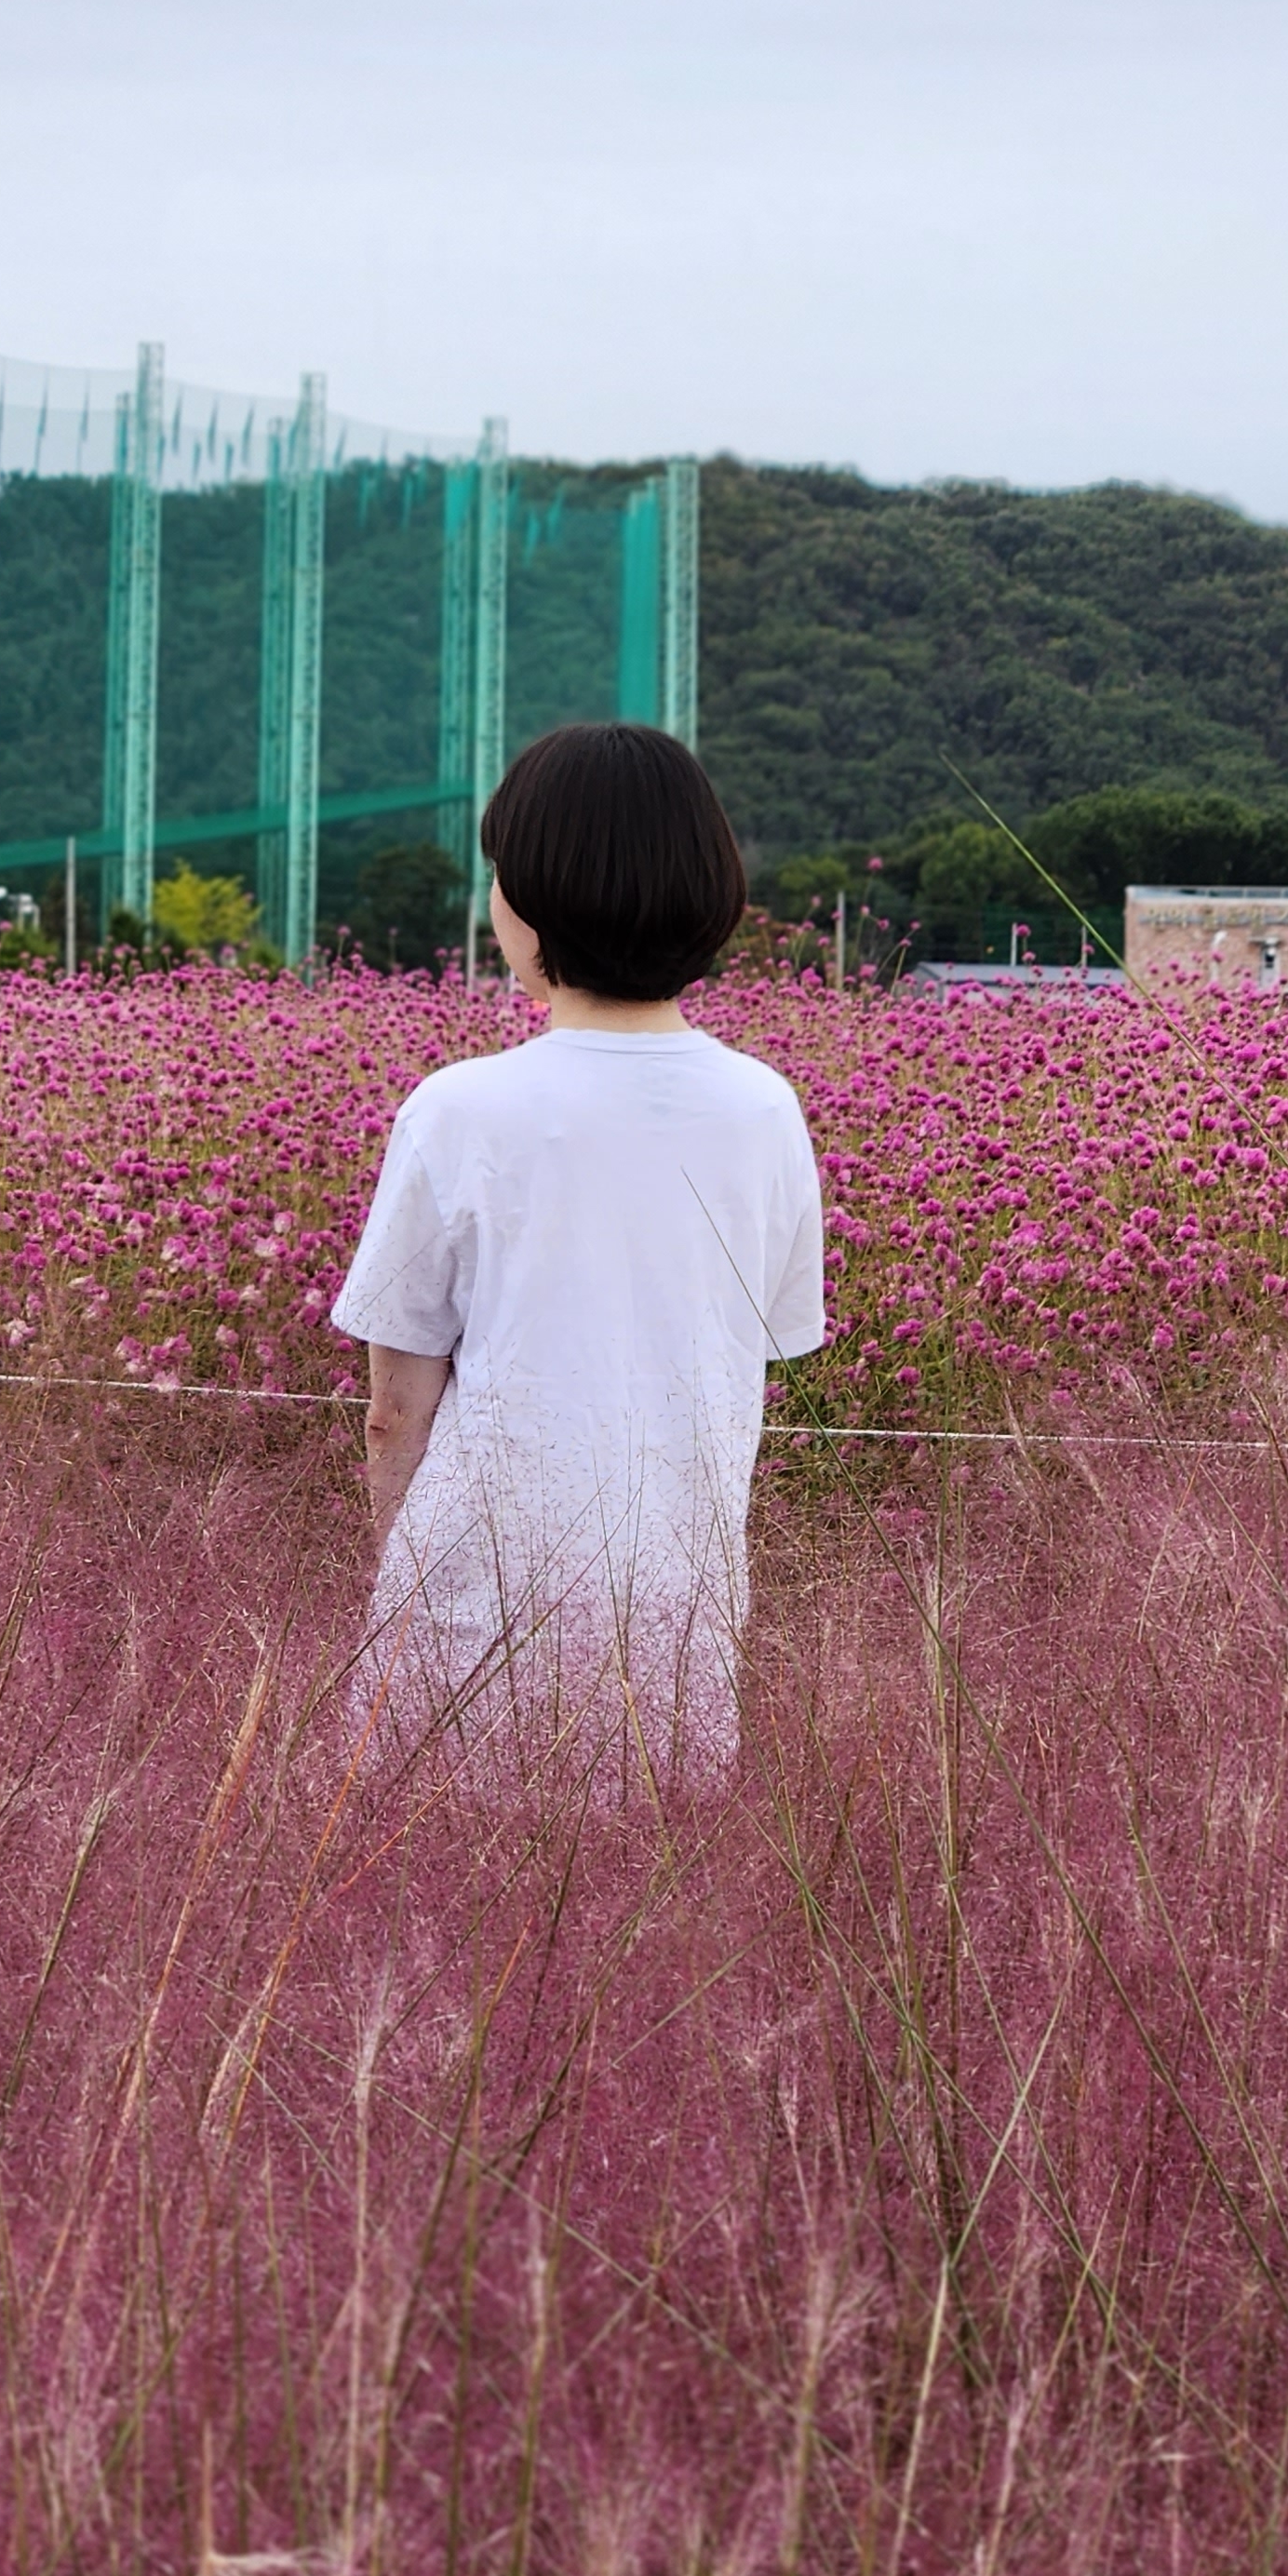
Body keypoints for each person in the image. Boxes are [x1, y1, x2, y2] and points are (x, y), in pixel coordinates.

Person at [331, 724, 825, 1794]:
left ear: (533, 900)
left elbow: (395, 1404)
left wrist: (393, 1565)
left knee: (436, 1909)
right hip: (677, 1604)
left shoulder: (460, 1107)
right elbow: (767, 1349)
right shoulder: (765, 1110)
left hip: (472, 1604)